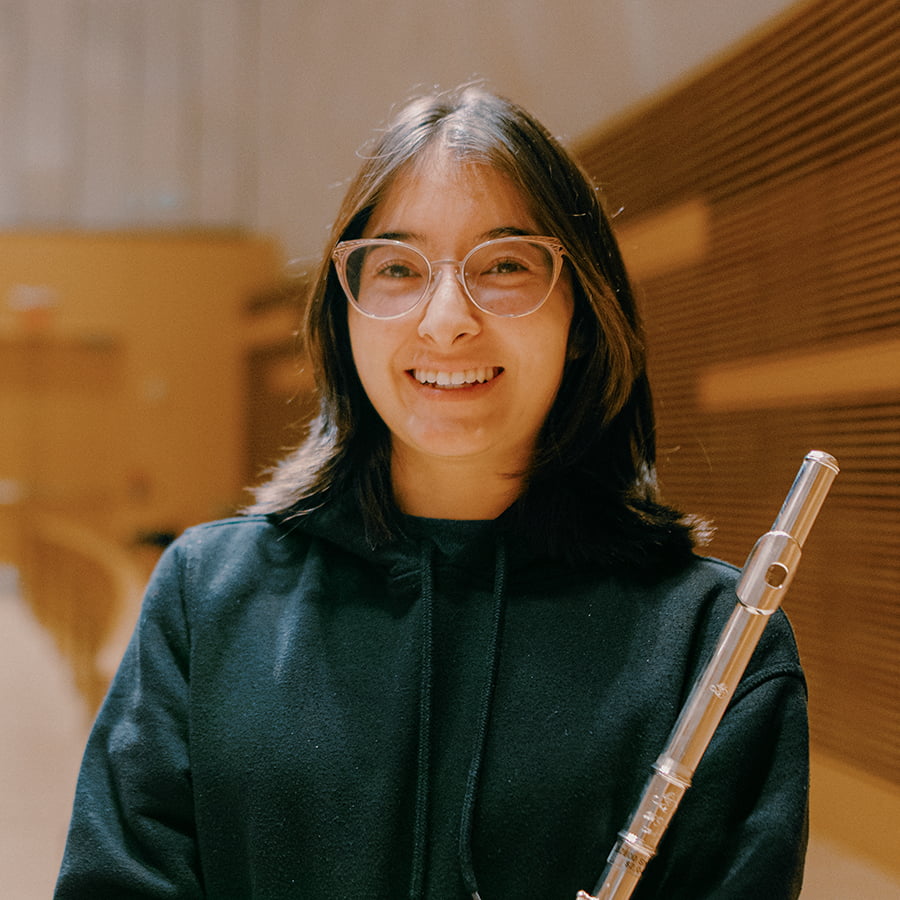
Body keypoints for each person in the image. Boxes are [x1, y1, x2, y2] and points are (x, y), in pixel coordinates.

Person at [55, 85, 808, 899]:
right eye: (397, 268)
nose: (446, 318)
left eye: (508, 264)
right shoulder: (208, 598)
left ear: (583, 316)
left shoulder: (713, 643)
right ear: (344, 314)